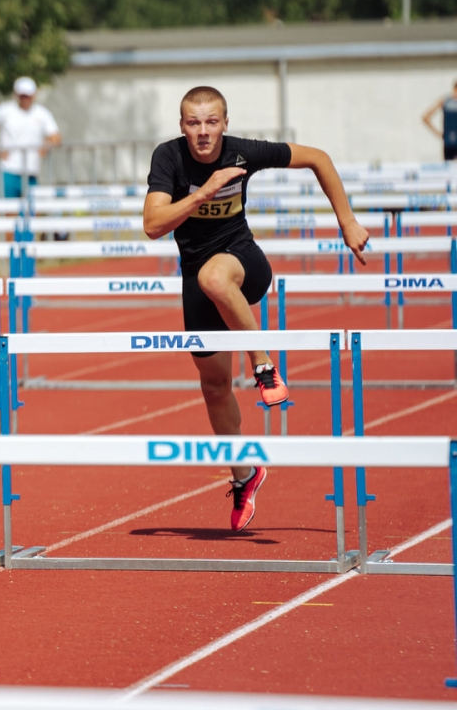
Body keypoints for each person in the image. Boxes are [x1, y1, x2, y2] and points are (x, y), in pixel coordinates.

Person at [143, 85, 369, 532]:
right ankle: (245, 474)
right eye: (193, 122)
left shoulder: (245, 152)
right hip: (196, 281)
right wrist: (201, 194)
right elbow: (152, 225)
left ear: (225, 123)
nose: (203, 132)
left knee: (215, 275)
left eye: (212, 122)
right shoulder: (168, 159)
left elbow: (319, 158)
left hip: (243, 264)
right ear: (182, 125)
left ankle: (264, 364)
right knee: (213, 385)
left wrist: (347, 220)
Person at [0, 77, 60, 199]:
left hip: (31, 170)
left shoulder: (42, 113)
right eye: (22, 95)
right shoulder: (5, 110)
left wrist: (45, 146)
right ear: (16, 94)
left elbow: (55, 137)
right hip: (8, 169)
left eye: (28, 95)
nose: (25, 99)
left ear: (34, 95)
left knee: (32, 212)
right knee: (9, 212)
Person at [421, 80, 457, 161]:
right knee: (449, 169)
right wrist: (438, 133)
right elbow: (425, 117)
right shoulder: (445, 101)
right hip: (449, 142)